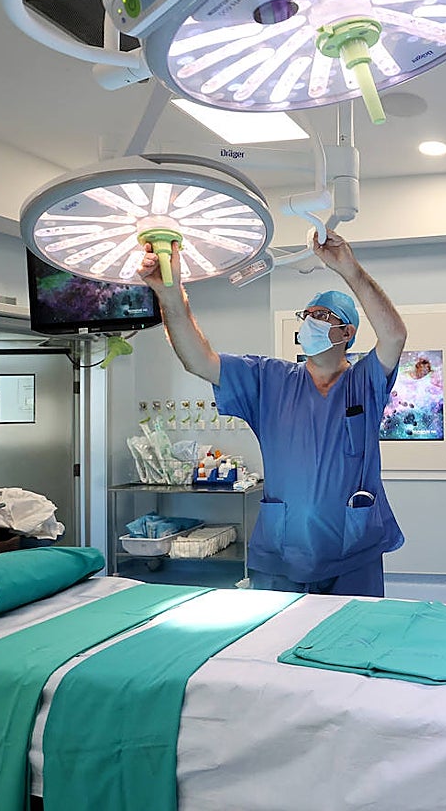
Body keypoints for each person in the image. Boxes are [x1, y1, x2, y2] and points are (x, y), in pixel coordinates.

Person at [138, 230, 408, 597]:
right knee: (276, 633)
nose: (309, 322)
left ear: (346, 332)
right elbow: (198, 360)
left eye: (321, 316)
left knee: (352, 632)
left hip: (353, 553)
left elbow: (394, 336)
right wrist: (169, 294)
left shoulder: (364, 383)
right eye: (306, 316)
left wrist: (349, 268)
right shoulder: (269, 380)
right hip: (282, 554)